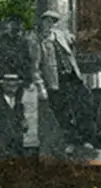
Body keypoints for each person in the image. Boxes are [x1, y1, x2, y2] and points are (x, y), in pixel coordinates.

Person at [34, 9, 96, 152]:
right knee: (63, 113)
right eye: (46, 21)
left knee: (82, 107)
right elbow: (35, 68)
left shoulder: (61, 35)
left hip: (72, 77)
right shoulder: (39, 41)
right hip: (56, 81)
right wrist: (41, 87)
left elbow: (76, 39)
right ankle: (71, 141)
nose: (49, 24)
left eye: (52, 21)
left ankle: (86, 139)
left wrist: (87, 34)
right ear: (42, 22)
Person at [0, 72, 28, 155]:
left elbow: (22, 121)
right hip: (0, 143)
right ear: (3, 85)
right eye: (9, 84)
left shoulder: (19, 103)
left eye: (15, 85)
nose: (12, 87)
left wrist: (24, 124)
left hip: (17, 145)